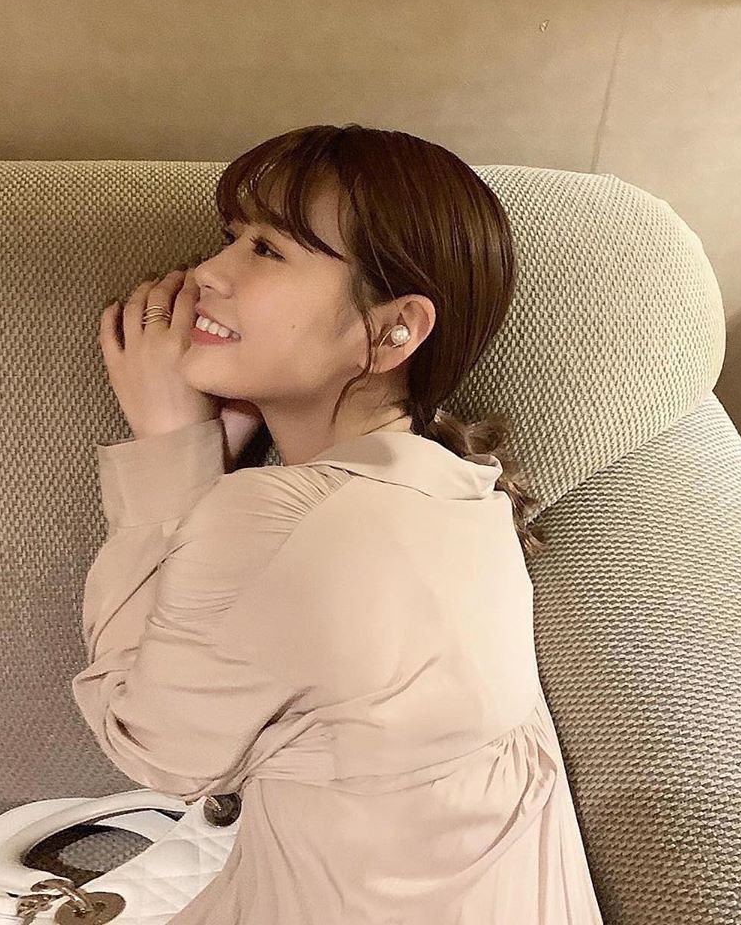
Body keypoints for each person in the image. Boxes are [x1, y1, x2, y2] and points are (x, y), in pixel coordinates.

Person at [71, 123, 606, 923]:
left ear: (394, 329)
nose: (208, 272)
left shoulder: (279, 519)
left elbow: (152, 748)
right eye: (232, 237)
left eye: (267, 250)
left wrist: (170, 454)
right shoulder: (469, 492)